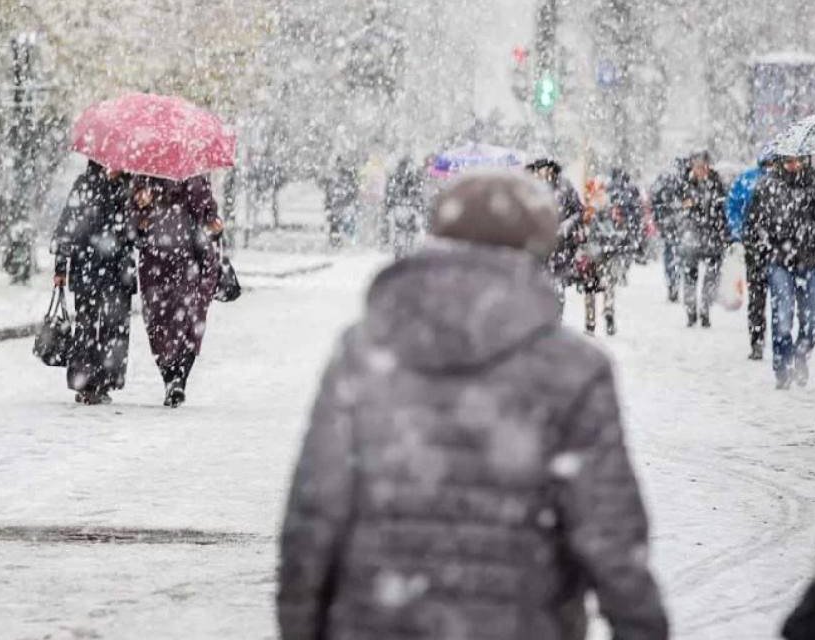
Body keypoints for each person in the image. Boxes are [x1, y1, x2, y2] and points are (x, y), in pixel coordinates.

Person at [278, 171, 669, 640]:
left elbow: (315, 512)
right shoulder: (573, 370)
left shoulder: (363, 352)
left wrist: (301, 624)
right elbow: (610, 535)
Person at [745, 156, 815, 389]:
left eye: (797, 159)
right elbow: (754, 221)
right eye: (788, 159)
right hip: (780, 261)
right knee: (783, 317)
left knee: (812, 319)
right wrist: (768, 245)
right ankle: (782, 366)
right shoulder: (766, 186)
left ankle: (801, 355)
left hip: (811, 260)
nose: (793, 164)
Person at [132, 175, 224, 408]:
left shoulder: (196, 177)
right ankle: (171, 378)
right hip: (157, 261)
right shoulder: (144, 177)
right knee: (159, 321)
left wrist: (212, 221)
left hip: (188, 260)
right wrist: (140, 210)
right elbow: (133, 224)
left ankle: (177, 379)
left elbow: (208, 217)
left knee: (187, 321)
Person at [51, 161, 138, 405]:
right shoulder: (86, 184)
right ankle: (85, 383)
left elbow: (137, 232)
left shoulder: (131, 187)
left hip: (118, 271)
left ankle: (105, 381)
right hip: (87, 267)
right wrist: (61, 267)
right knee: (87, 328)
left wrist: (138, 211)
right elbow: (67, 224)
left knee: (114, 329)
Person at [574, 177, 634, 336]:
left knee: (597, 287)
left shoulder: (597, 211)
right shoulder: (594, 210)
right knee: (600, 286)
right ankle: (599, 316)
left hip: (598, 254)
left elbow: (586, 233)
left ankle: (597, 320)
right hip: (599, 253)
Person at [676, 151, 730, 328]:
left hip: (713, 236)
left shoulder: (717, 183)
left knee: (711, 276)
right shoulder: (685, 184)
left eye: (703, 166)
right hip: (692, 235)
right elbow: (680, 207)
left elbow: (723, 209)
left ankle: (705, 309)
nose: (701, 170)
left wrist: (722, 230)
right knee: (690, 275)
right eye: (697, 166)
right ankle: (691, 310)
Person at [728, 158, 773, 360]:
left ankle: (780, 341)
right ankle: (757, 340)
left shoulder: (786, 180)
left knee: (779, 299)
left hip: (780, 247)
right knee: (757, 296)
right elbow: (733, 207)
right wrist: (739, 232)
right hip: (756, 246)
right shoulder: (748, 179)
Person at [527, 157, 584, 313]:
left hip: (560, 247)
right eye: (537, 169)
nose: (539, 173)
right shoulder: (528, 188)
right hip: (536, 247)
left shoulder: (564, 187)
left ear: (551, 169)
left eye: (542, 169)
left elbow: (578, 211)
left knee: (556, 286)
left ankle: (554, 318)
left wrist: (566, 226)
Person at [650, 157, 689, 303]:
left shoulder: (664, 179)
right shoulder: (685, 180)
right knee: (679, 253)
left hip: (668, 223)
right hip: (680, 223)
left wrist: (658, 220)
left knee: (670, 253)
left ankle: (672, 283)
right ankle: (678, 282)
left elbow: (655, 201)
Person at [385, 156, 427, 260]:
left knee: (401, 233)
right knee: (409, 233)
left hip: (401, 209)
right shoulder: (414, 177)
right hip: (409, 209)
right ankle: (406, 253)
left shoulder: (396, 178)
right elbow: (419, 194)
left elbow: (389, 194)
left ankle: (401, 254)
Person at [323, 160, 358, 248]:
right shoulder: (336, 179)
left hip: (340, 205)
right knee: (336, 223)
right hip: (338, 205)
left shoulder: (344, 177)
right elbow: (329, 192)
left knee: (338, 223)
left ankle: (338, 241)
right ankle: (336, 241)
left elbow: (352, 192)